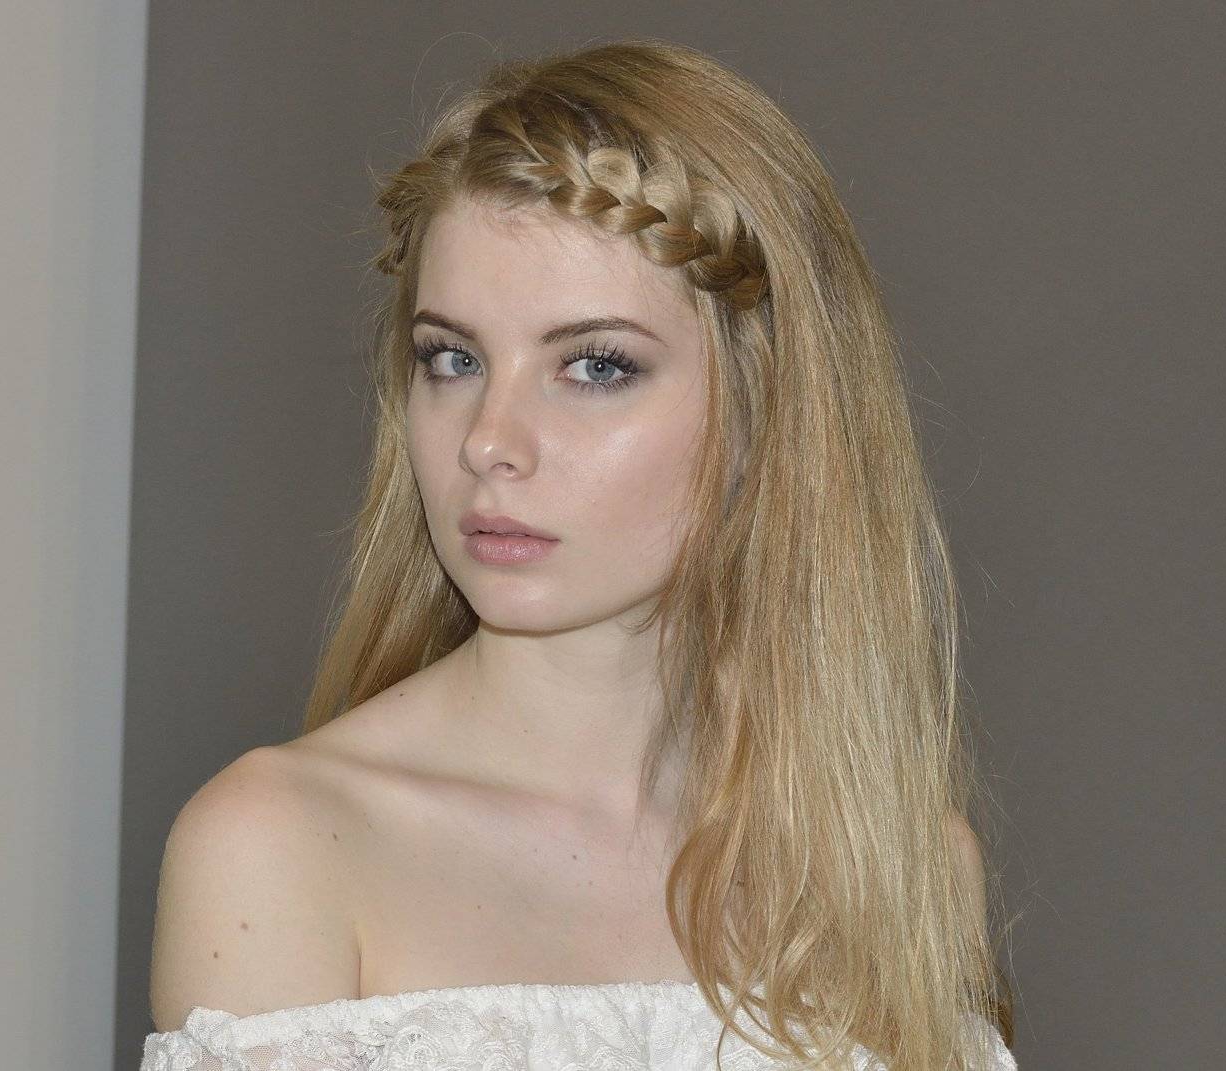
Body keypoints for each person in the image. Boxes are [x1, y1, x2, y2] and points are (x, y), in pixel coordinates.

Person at [142, 38, 1016, 1071]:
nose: (488, 441)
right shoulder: (281, 847)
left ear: (771, 407)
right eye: (452, 358)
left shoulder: (903, 868)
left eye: (595, 366)